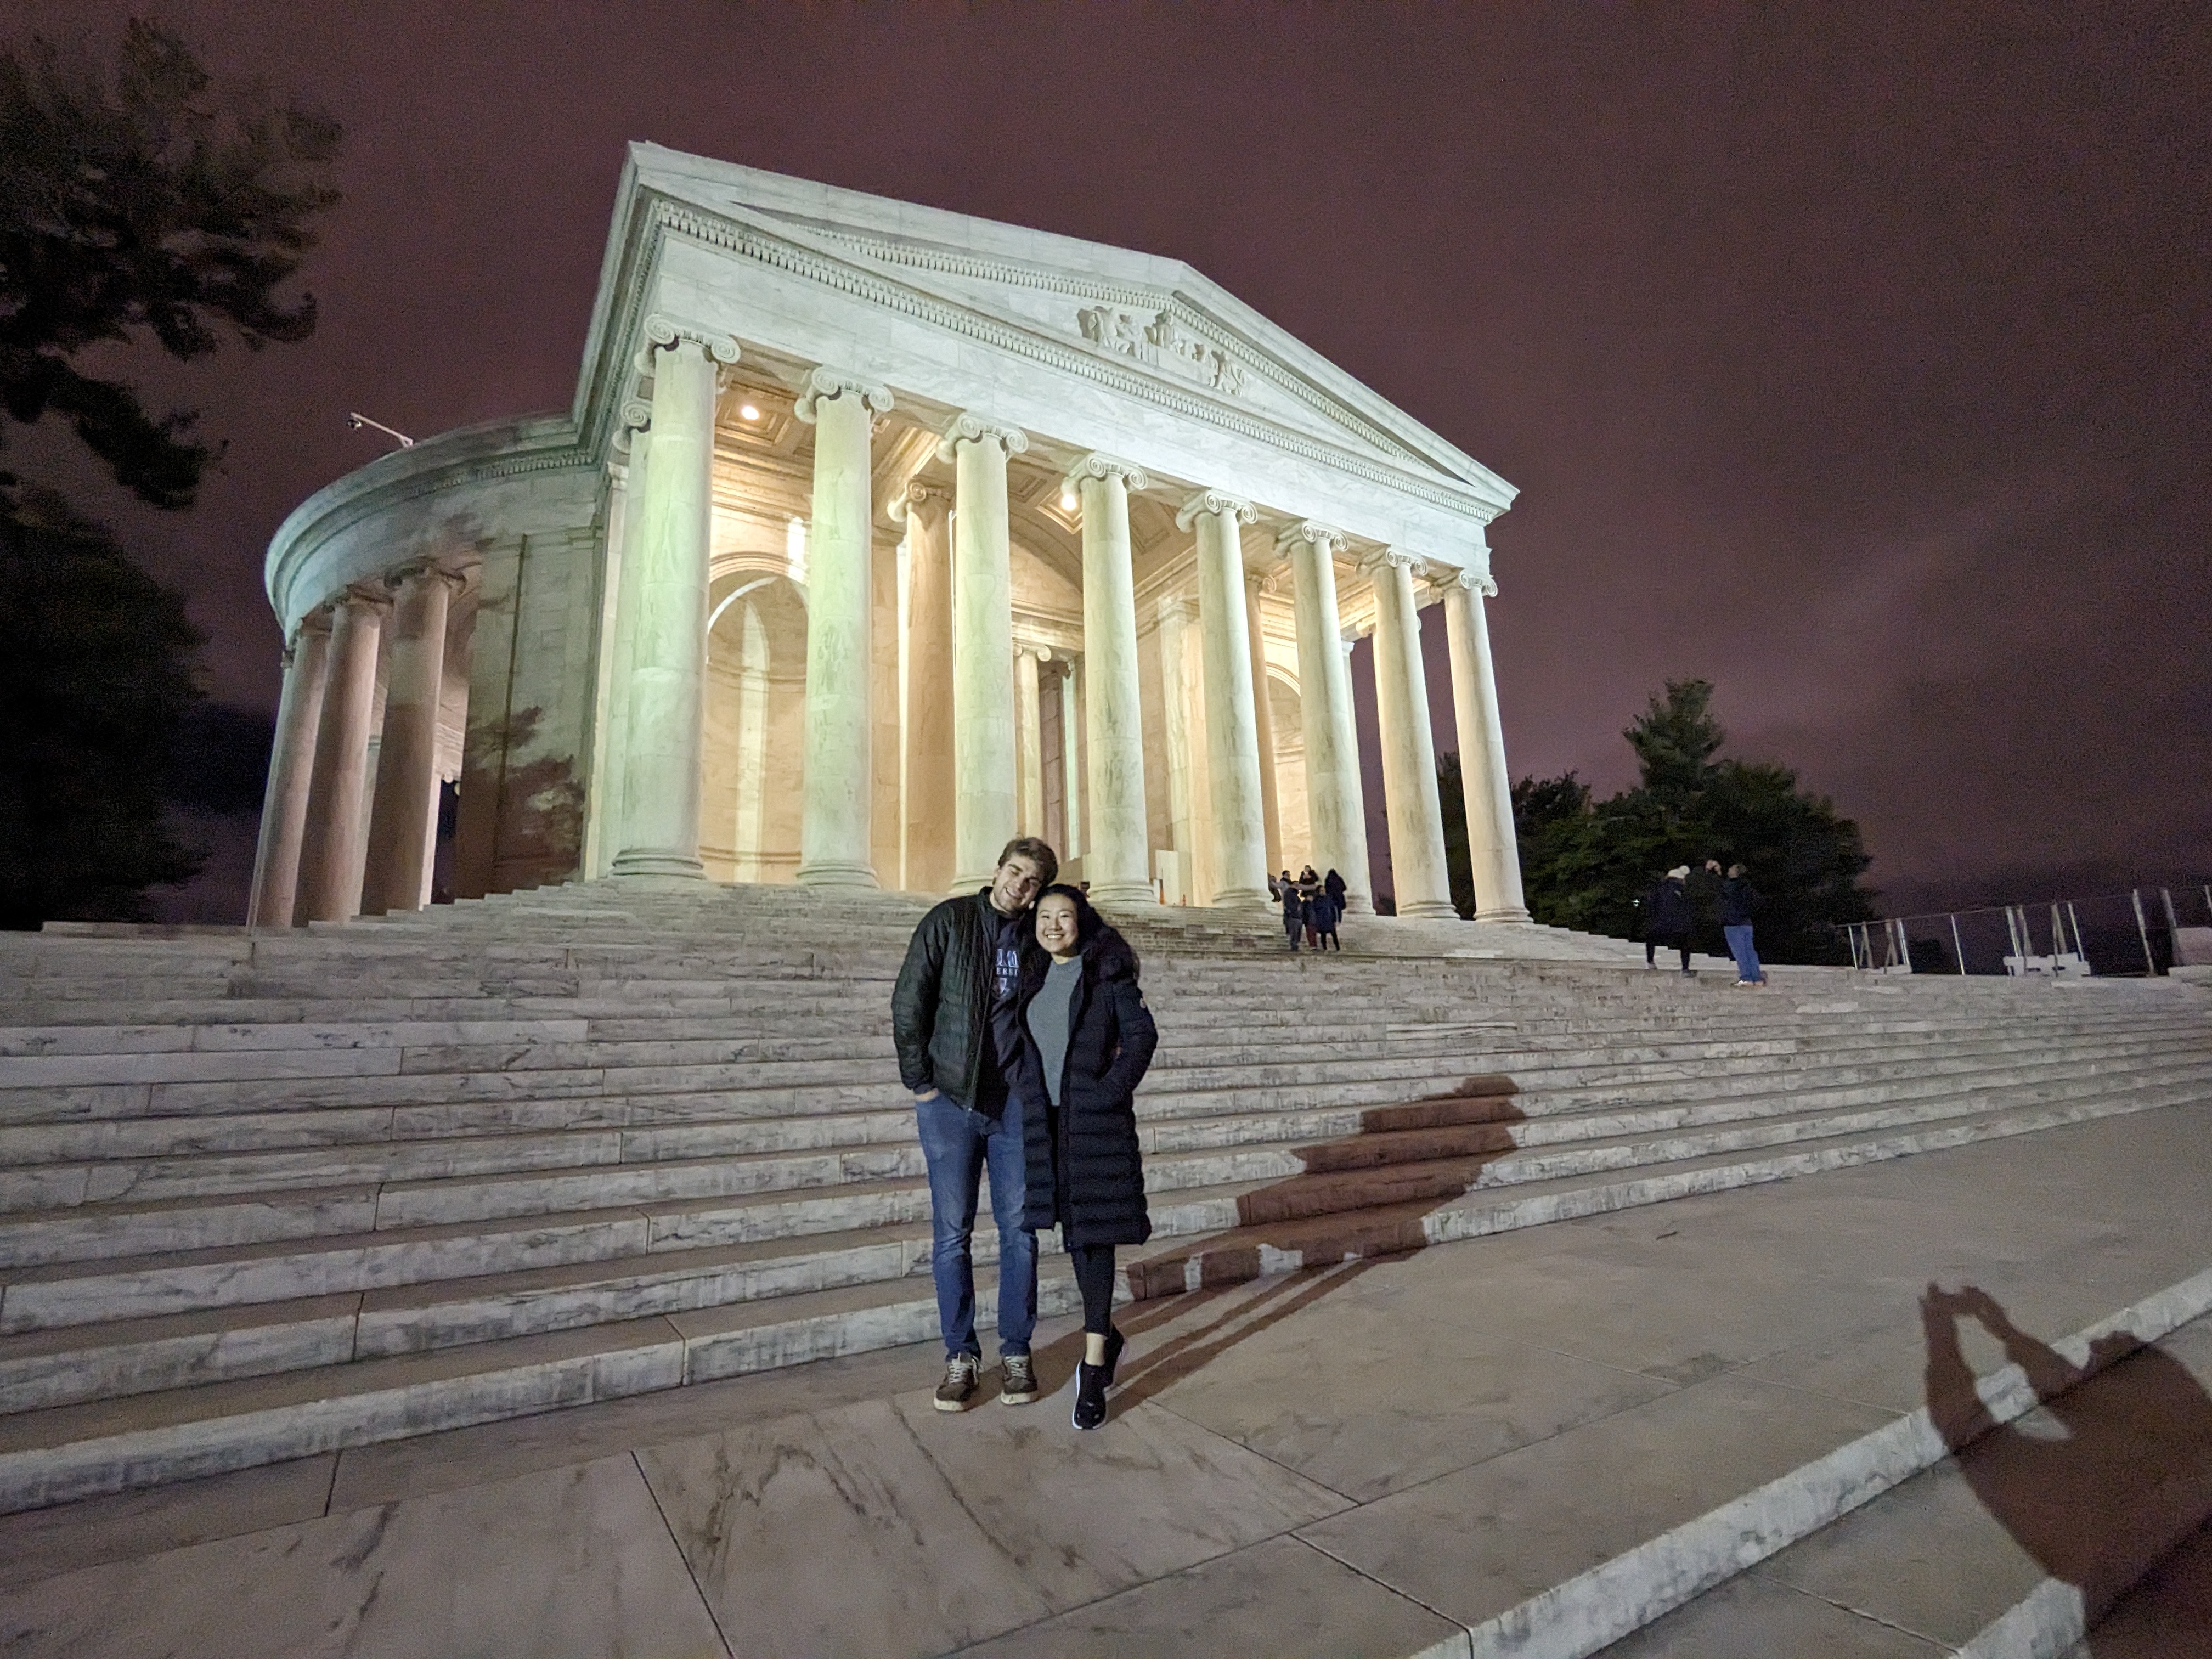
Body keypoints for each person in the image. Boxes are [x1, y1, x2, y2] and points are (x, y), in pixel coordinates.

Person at [892, 837, 1056, 1412]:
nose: (1020, 885)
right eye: (1015, 872)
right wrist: (922, 1082)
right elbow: (910, 999)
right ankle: (960, 1355)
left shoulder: (1038, 942)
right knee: (952, 1233)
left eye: (1032, 880)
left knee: (1019, 1231)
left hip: (1013, 1106)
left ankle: (1016, 1350)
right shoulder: (951, 920)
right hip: (951, 1102)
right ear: (997, 870)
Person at [1015, 884, 1158, 1430]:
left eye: (1065, 916)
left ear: (1082, 921)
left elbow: (1142, 1036)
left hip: (1094, 1123)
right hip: (1046, 1125)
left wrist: (1108, 1091)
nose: (1054, 926)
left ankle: (1096, 1364)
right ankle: (1106, 1336)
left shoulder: (1107, 971)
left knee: (1094, 1240)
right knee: (1073, 1238)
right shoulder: (1030, 976)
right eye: (1045, 916)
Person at [1707, 859, 1767, 986]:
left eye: (1731, 869)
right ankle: (1756, 977)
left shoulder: (1730, 886)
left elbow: (1718, 886)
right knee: (1750, 950)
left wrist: (1716, 873)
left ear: (1736, 872)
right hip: (1746, 922)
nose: (1729, 870)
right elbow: (1758, 901)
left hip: (1732, 922)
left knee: (1739, 951)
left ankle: (1746, 977)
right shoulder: (1748, 886)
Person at [1640, 865, 1694, 973]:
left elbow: (1650, 906)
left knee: (1651, 939)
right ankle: (1685, 968)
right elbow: (1686, 908)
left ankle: (1650, 961)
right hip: (1678, 925)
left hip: (1659, 923)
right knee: (1685, 944)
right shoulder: (1682, 891)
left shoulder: (1658, 889)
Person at [1279, 868, 1306, 951]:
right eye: (1297, 885)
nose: (1299, 888)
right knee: (1294, 934)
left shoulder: (1295, 895)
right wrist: (1295, 910)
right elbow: (1289, 904)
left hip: (1297, 917)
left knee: (1297, 934)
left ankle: (1295, 946)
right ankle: (1294, 946)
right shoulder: (1289, 893)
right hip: (1293, 917)